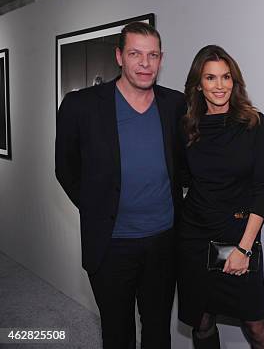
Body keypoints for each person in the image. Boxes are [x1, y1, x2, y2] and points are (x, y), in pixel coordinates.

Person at [55, 22, 185, 348]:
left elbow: (186, 164)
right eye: (135, 54)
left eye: (152, 55)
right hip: (111, 246)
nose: (145, 63)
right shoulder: (80, 106)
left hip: (163, 243)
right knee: (117, 333)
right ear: (119, 56)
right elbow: (66, 169)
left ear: (161, 58)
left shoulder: (175, 105)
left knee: (157, 331)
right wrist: (97, 207)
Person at [177, 45, 264, 349]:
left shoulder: (253, 123)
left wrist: (244, 249)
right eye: (210, 78)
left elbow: (262, 190)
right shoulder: (187, 127)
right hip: (194, 237)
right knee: (202, 320)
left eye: (226, 77)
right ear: (198, 84)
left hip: (236, 237)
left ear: (235, 81)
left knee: (257, 327)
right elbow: (183, 179)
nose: (219, 86)